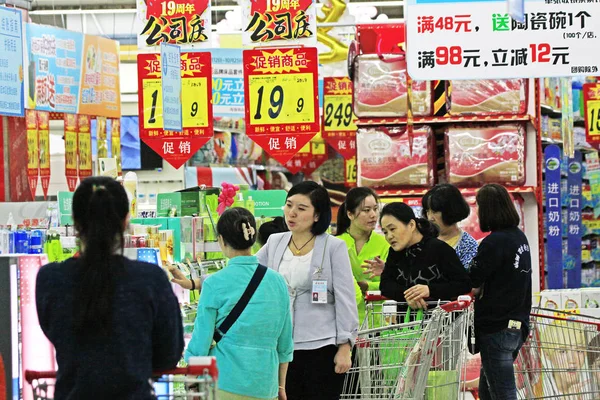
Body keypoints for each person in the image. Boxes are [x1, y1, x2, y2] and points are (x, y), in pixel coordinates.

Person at [35, 177, 183, 399]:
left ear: (75, 221)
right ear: (125, 221)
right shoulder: (151, 280)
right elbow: (168, 355)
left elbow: (56, 334)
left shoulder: (50, 280)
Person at [257, 181, 358, 400]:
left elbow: (345, 298)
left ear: (316, 215)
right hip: (282, 347)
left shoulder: (333, 247)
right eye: (289, 205)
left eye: (301, 209)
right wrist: (196, 282)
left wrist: (345, 346)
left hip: (322, 346)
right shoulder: (275, 242)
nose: (291, 213)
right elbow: (246, 274)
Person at [185, 208, 293, 400]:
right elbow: (284, 345)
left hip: (223, 382)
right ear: (252, 237)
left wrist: (192, 380)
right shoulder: (277, 282)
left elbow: (201, 342)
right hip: (265, 386)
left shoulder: (214, 283)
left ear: (221, 240)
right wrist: (281, 386)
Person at [468, 183, 531, 400]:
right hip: (517, 325)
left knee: (502, 394)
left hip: (496, 328)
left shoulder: (493, 243)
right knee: (488, 390)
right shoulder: (519, 238)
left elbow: (472, 281)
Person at [378, 202, 471, 309]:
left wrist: (430, 290)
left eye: (392, 229)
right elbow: (385, 285)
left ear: (411, 225)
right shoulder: (395, 253)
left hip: (440, 321)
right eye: (385, 232)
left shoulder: (439, 249)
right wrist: (409, 295)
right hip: (406, 322)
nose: (389, 236)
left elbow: (463, 284)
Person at [336, 187, 389, 324]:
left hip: (376, 324)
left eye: (375, 209)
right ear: (350, 214)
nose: (373, 215)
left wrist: (368, 286)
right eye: (366, 210)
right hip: (342, 321)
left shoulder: (385, 244)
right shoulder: (335, 244)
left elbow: (393, 283)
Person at [421, 183, 478, 268]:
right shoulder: (421, 240)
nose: (430, 218)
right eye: (427, 211)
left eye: (435, 211)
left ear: (450, 211)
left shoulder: (468, 247)